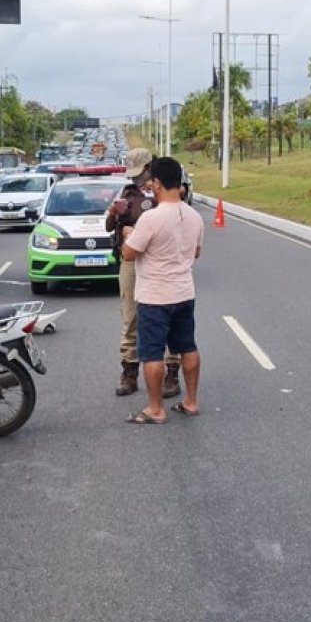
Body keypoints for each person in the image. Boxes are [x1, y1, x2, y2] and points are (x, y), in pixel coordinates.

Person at [120, 156, 204, 424]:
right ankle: (191, 401)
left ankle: (156, 409)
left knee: (152, 353)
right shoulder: (194, 216)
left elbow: (129, 254)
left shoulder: (151, 218)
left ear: (156, 183)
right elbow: (196, 252)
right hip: (184, 293)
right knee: (187, 347)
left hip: (155, 297)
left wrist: (128, 234)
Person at [105, 148, 181, 398]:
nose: (139, 178)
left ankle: (172, 373)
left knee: (168, 316)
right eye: (135, 174)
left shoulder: (167, 193)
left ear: (151, 167)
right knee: (130, 317)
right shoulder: (128, 193)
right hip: (131, 259)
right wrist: (114, 213)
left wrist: (137, 232)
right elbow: (109, 227)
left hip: (161, 261)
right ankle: (129, 372)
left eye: (142, 173)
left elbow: (174, 222)